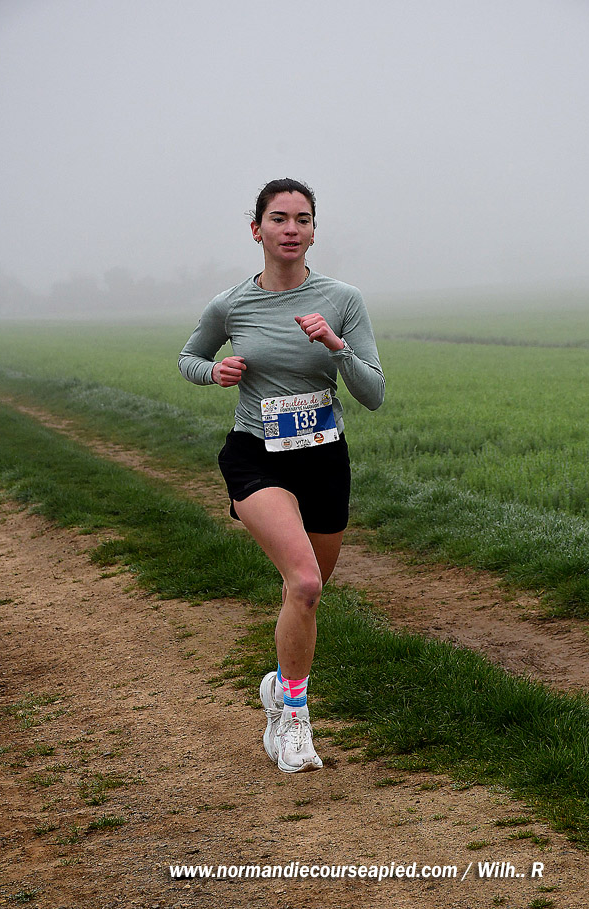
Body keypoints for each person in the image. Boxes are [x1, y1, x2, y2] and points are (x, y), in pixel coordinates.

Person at [179, 178, 385, 773]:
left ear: (314, 231)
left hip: (323, 457)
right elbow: (189, 357)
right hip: (256, 454)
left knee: (306, 594)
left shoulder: (343, 299)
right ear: (257, 230)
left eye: (302, 219)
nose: (291, 229)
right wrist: (214, 372)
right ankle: (295, 718)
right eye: (278, 218)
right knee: (305, 582)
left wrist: (337, 346)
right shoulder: (231, 304)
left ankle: (278, 685)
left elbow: (373, 393)